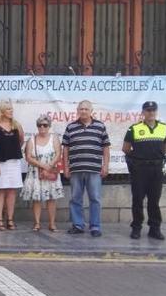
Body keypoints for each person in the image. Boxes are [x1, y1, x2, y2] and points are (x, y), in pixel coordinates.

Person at [62, 100, 110, 237]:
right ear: (77, 111)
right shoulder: (70, 127)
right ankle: (78, 225)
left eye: (86, 109)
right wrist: (65, 167)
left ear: (91, 111)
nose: (83, 111)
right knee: (75, 198)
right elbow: (65, 149)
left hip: (94, 169)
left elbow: (105, 147)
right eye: (81, 109)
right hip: (75, 169)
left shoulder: (100, 126)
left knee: (95, 198)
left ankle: (95, 226)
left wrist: (105, 165)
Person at [123, 101, 166, 240]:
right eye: (148, 110)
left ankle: (155, 229)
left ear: (156, 112)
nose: (151, 113)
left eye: (153, 110)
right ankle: (136, 228)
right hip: (140, 169)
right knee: (137, 199)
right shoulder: (134, 128)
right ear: (143, 112)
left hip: (156, 168)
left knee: (154, 200)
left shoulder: (163, 127)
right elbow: (126, 148)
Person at [21, 115, 64, 232]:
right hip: (36, 172)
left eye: (45, 125)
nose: (42, 127)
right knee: (36, 199)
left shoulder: (54, 138)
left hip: (50, 171)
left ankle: (52, 223)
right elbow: (28, 157)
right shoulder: (31, 140)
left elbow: (58, 154)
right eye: (39, 125)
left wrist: (49, 166)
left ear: (49, 126)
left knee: (51, 198)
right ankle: (37, 223)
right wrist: (43, 165)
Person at [0, 100, 24, 231]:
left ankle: (10, 219)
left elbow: (21, 140)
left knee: (12, 190)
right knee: (0, 190)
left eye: (11, 109)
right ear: (1, 111)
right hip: (0, 162)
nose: (11, 111)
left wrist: (11, 150)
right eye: (8, 109)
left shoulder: (16, 125)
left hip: (13, 162)